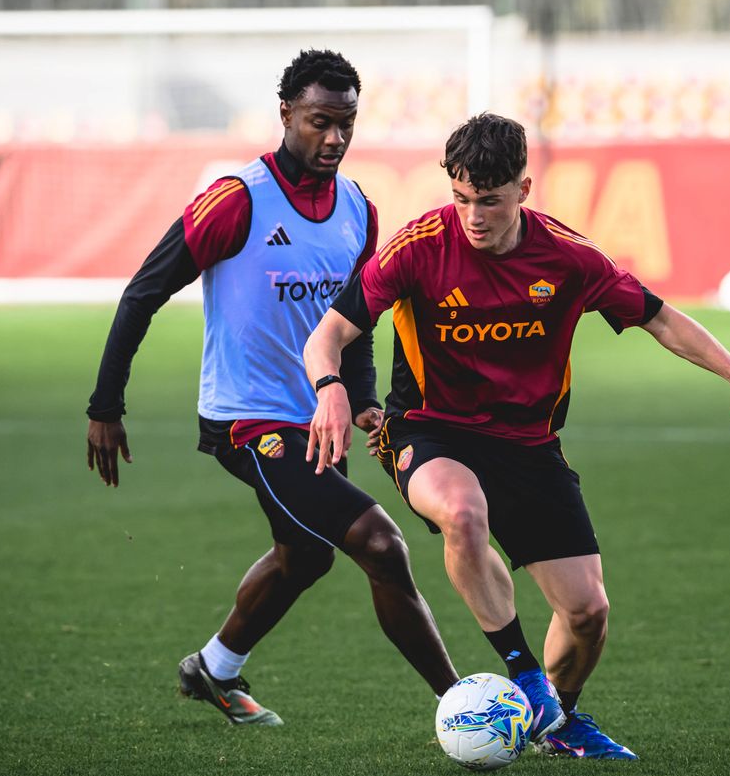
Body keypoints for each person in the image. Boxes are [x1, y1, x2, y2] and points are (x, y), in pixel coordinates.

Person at [304, 113, 730, 758]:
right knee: (463, 514)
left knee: (587, 615)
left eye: (490, 200)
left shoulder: (570, 258)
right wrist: (331, 388)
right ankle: (526, 677)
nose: (474, 215)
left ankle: (557, 718)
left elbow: (660, 319)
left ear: (523, 190)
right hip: (430, 429)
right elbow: (327, 334)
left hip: (530, 446)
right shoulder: (418, 248)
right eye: (462, 197)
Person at [85, 50, 458, 727]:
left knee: (306, 554)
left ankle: (212, 669)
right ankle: (461, 704)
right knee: (381, 544)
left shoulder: (357, 210)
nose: (335, 139)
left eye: (347, 124)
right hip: (247, 420)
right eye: (320, 122)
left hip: (324, 418)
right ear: (286, 113)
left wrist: (365, 395)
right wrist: (105, 406)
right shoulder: (236, 201)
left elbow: (356, 320)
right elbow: (143, 292)